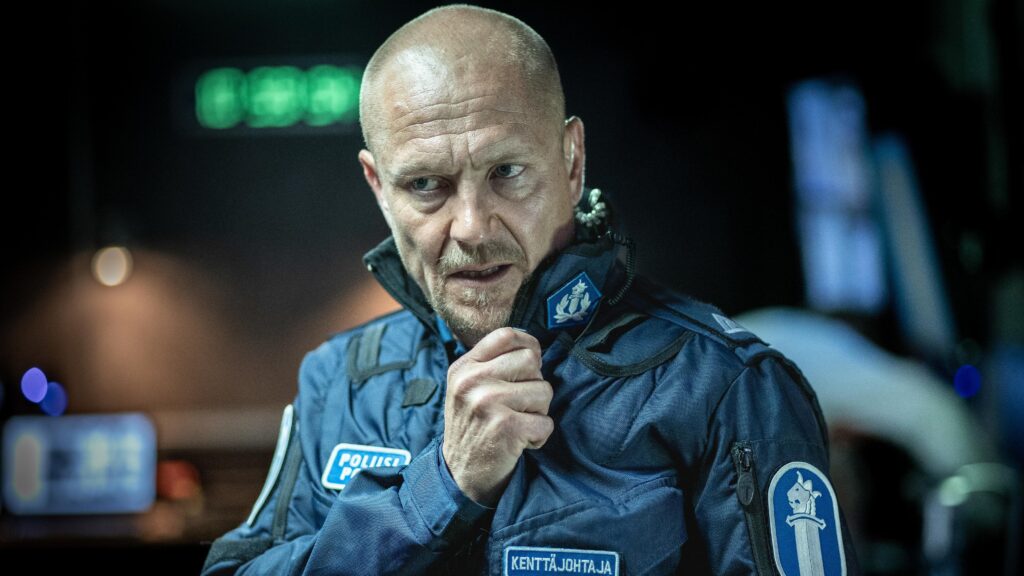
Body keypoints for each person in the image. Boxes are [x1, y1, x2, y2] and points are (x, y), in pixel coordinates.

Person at [202, 4, 859, 575]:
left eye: (507, 172)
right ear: (379, 187)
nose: (471, 226)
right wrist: (441, 489)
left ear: (571, 162)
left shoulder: (727, 388)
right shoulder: (338, 379)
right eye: (426, 185)